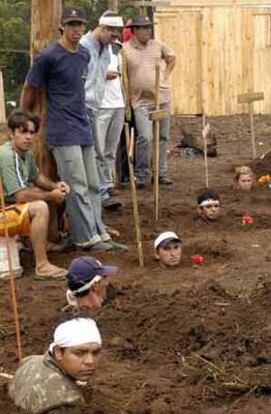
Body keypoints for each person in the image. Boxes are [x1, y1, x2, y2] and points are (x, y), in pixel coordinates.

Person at [20, 6, 126, 252]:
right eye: (71, 25)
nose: (76, 29)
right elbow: (30, 87)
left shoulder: (83, 56)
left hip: (83, 124)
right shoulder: (48, 56)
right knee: (75, 184)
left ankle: (99, 232)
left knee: (92, 183)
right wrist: (24, 120)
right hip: (61, 129)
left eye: (79, 24)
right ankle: (85, 238)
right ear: (62, 27)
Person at [0, 110, 68, 280]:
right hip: (3, 214)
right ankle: (42, 265)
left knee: (41, 195)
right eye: (23, 132)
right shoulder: (8, 155)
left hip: (6, 210)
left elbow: (36, 177)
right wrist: (50, 195)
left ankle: (36, 242)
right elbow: (20, 196)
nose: (28, 137)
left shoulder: (25, 154)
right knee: (40, 207)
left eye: (31, 132)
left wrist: (55, 186)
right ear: (11, 134)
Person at [8, 315, 102, 414]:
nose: (90, 361)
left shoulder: (29, 361)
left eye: (95, 353)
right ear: (58, 352)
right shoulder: (67, 400)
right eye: (80, 353)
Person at [122, 15, 176, 190]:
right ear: (135, 30)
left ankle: (160, 172)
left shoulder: (157, 45)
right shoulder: (125, 50)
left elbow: (172, 57)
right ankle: (142, 174)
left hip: (162, 99)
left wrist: (165, 77)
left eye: (148, 27)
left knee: (162, 137)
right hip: (140, 102)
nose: (148, 31)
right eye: (144, 28)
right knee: (145, 137)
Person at [80, 11, 124, 210]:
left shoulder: (105, 50)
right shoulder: (83, 47)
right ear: (103, 28)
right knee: (94, 152)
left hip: (95, 106)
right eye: (112, 35)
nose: (114, 39)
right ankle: (101, 193)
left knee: (98, 151)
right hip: (81, 107)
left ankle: (100, 191)